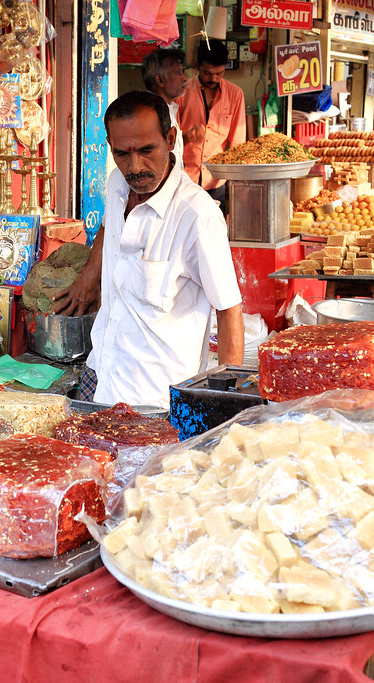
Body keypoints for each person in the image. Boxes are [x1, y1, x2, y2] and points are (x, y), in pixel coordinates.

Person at [55, 90, 244, 410]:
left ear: (170, 138)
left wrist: (226, 404)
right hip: (99, 372)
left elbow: (229, 311)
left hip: (154, 399)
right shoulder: (117, 182)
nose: (135, 166)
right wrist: (88, 277)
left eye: (146, 150)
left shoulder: (196, 216)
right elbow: (108, 225)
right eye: (122, 153)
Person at [176, 38, 246, 209]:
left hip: (216, 180)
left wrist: (236, 182)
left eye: (219, 73)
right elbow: (170, 139)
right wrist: (185, 137)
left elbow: (237, 143)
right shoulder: (182, 92)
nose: (213, 78)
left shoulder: (235, 94)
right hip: (185, 178)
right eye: (208, 73)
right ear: (197, 65)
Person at [140, 47, 187, 162]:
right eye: (178, 73)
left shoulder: (169, 109)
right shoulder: (152, 114)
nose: (184, 78)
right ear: (160, 80)